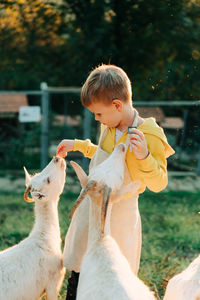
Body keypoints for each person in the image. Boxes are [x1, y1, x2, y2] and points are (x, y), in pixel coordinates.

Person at [56, 64, 175, 300]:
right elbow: (103, 156)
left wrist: (144, 156)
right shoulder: (109, 126)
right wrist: (78, 145)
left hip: (121, 215)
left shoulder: (149, 134)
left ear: (117, 105)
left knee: (114, 269)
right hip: (92, 208)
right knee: (81, 261)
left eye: (98, 114)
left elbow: (159, 182)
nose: (97, 118)